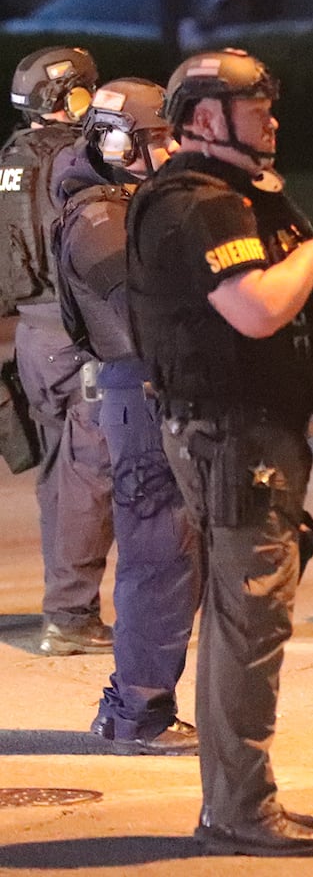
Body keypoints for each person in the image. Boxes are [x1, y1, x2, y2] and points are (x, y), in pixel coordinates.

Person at [126, 48, 313, 856]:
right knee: (250, 619)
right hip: (231, 437)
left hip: (247, 433)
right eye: (254, 106)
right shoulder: (199, 204)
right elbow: (254, 309)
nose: (271, 120)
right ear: (206, 118)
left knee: (244, 617)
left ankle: (236, 799)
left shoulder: (235, 195)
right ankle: (239, 809)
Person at [52, 78, 197, 754]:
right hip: (138, 393)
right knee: (158, 558)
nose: (170, 152)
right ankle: (137, 711)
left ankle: (138, 705)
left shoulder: (144, 202)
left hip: (168, 391)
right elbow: (145, 307)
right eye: (156, 140)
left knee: (181, 558)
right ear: (113, 141)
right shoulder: (97, 217)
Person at [2, 46, 116, 657]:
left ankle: (69, 604)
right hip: (74, 334)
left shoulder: (12, 160)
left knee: (60, 475)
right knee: (89, 477)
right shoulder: (75, 159)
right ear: (67, 96)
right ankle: (71, 615)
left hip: (32, 337)